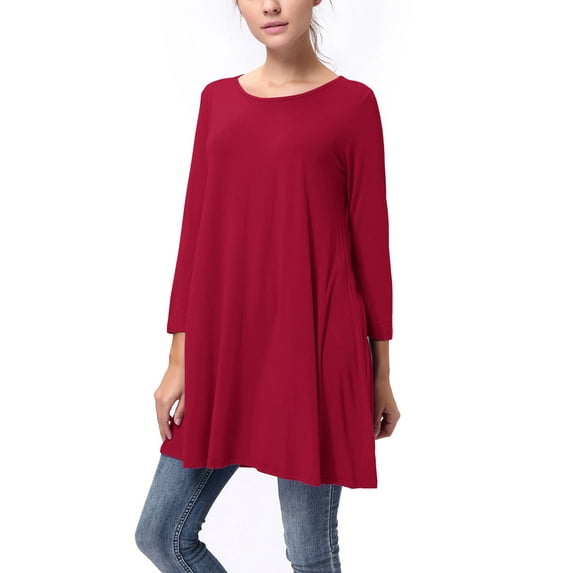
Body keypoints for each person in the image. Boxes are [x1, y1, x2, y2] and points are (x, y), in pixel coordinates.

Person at [135, 1, 401, 571]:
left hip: (315, 351)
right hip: (225, 348)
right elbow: (196, 231)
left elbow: (371, 247)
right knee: (161, 534)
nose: (270, 5)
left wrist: (381, 373)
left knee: (309, 557)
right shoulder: (217, 101)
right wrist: (179, 357)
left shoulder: (353, 105)